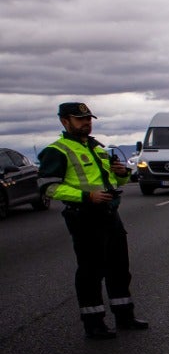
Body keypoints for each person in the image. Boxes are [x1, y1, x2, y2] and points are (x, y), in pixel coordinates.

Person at [38, 101, 149, 339]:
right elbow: (48, 188)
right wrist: (86, 196)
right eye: (80, 120)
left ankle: (124, 316)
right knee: (91, 271)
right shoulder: (57, 151)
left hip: (109, 214)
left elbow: (112, 183)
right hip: (84, 216)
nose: (86, 123)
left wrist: (122, 175)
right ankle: (94, 322)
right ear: (65, 122)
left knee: (119, 268)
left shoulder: (97, 148)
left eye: (88, 119)